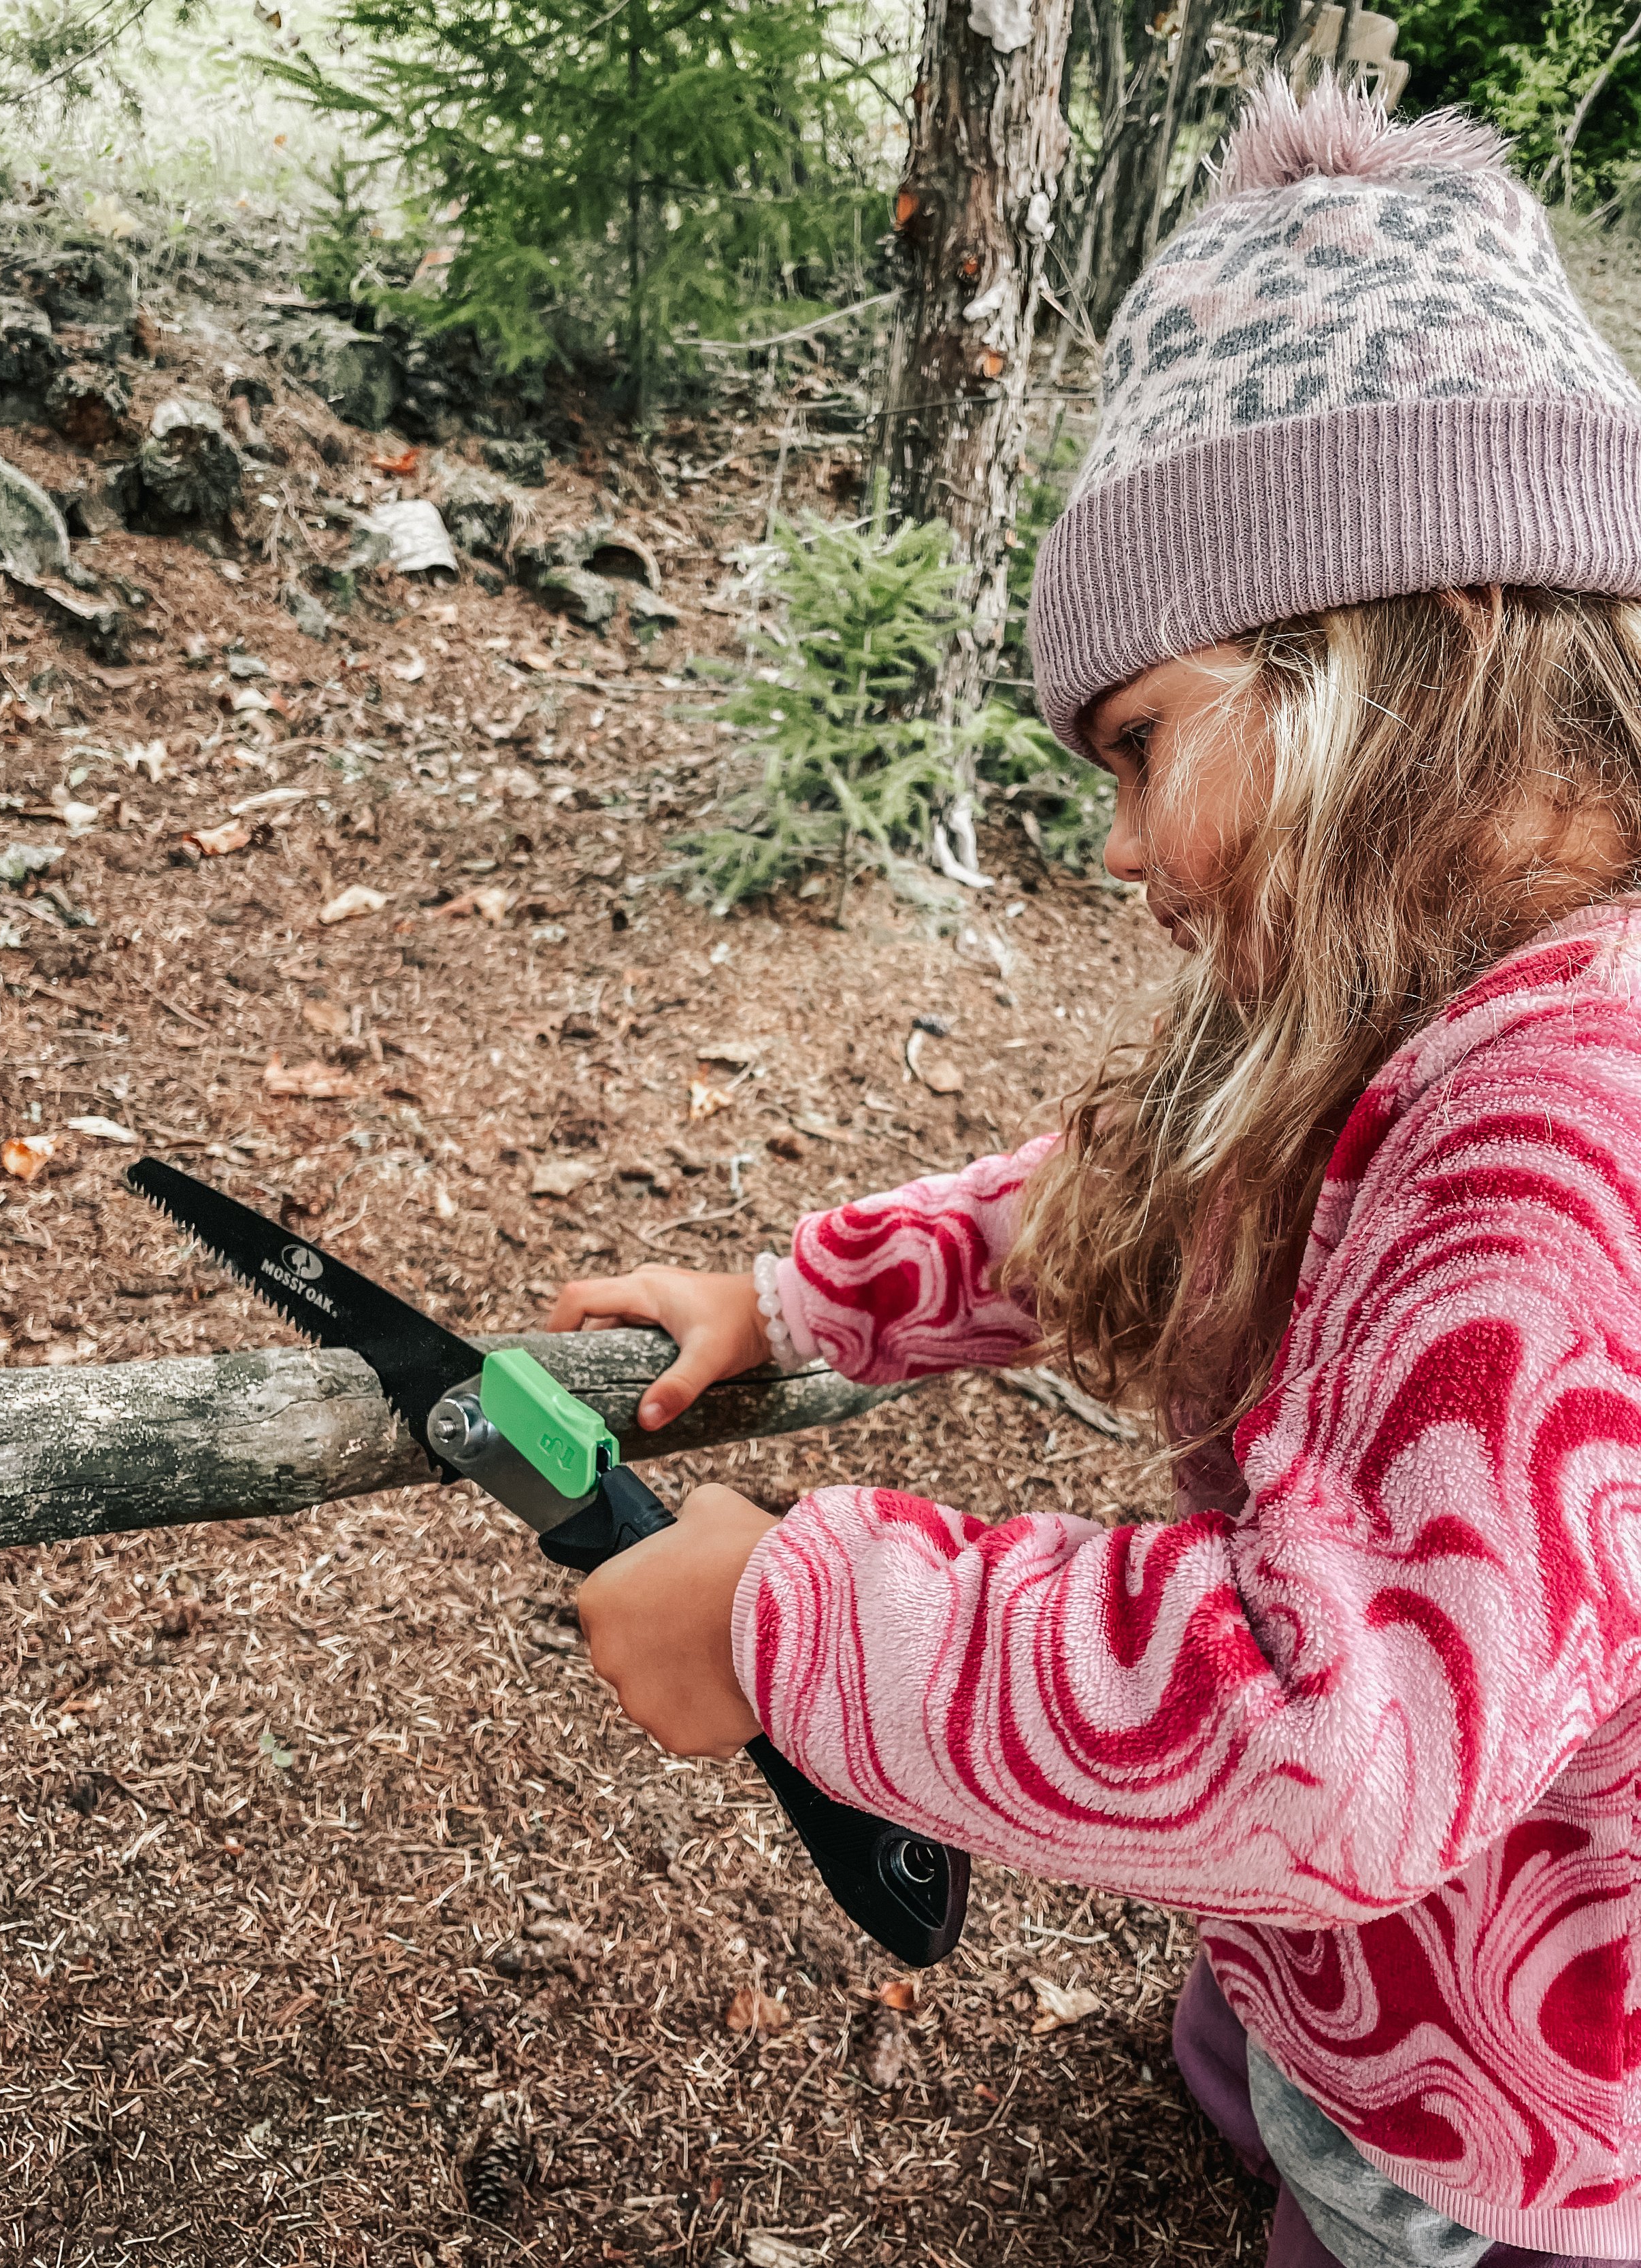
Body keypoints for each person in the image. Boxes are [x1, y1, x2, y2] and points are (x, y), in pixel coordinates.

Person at [550, 73, 1641, 2268]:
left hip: (1521, 2073)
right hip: (1356, 1965)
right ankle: (1267, 2072)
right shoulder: (1423, 999)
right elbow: (1166, 1183)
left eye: (1136, 745)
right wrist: (804, 1298)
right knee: (1271, 2050)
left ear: (1375, 644)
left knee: (1374, 2211)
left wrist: (797, 1615)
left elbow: (1354, 1742)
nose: (1123, 854)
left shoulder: (1572, 1125)